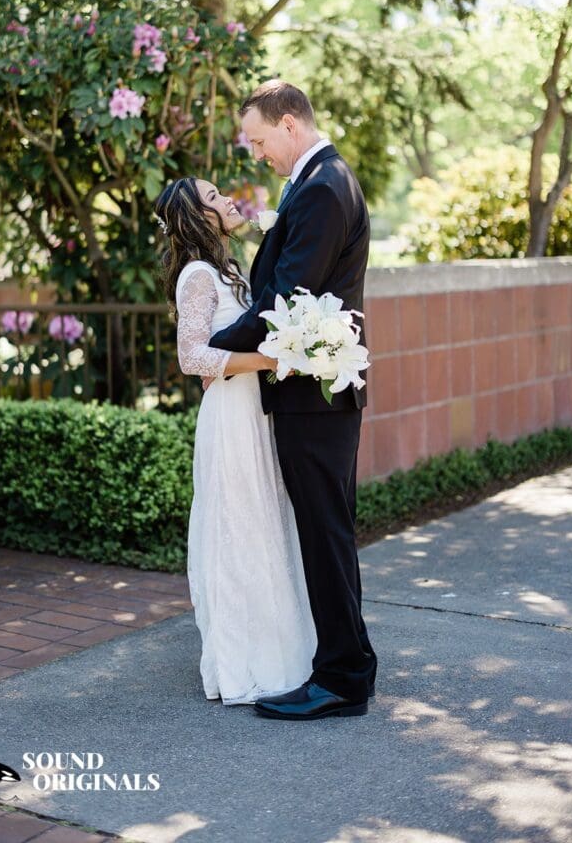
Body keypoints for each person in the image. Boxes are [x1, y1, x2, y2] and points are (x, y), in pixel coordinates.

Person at [207, 79, 377, 720]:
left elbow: (283, 300)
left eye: (257, 140)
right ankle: (349, 667)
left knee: (325, 533)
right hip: (315, 395)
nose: (255, 154)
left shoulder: (324, 187)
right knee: (328, 530)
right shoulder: (318, 182)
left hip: (315, 397)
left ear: (288, 124)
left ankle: (340, 679)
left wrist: (213, 350)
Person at [154, 176, 317, 706]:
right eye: (213, 196)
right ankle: (245, 664)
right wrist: (270, 360)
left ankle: (284, 653)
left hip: (254, 409)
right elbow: (191, 357)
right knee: (239, 531)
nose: (226, 199)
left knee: (266, 525)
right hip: (230, 416)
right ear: (196, 217)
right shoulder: (197, 275)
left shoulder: (225, 271)